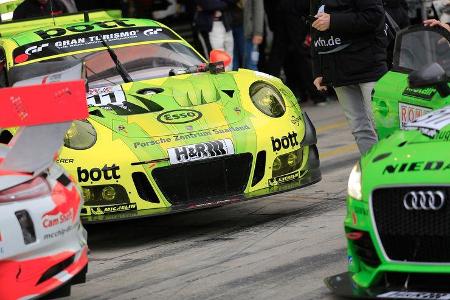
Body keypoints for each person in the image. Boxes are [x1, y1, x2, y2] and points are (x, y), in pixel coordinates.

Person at [311, 0, 388, 154]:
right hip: (337, 69)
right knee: (358, 128)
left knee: (381, 124)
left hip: (368, 64)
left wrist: (333, 21)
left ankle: (395, 169)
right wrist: (318, 70)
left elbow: (374, 16)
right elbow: (315, 28)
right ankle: (372, 169)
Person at [195, 0, 236, 70]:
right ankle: (220, 80)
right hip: (211, 26)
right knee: (218, 59)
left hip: (226, 24)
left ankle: (228, 78)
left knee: (229, 57)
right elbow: (207, 4)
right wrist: (225, 4)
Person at [242, 0, 264, 70]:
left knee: (250, 65)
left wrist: (258, 32)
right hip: (234, 28)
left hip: (249, 32)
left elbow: (259, 9)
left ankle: (255, 81)